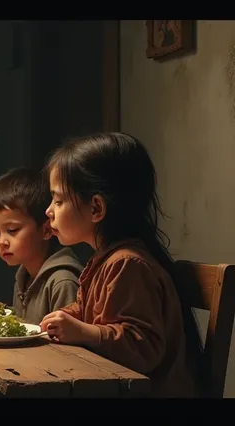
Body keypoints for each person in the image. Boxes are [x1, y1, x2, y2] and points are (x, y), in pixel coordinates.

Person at [40, 132, 200, 398]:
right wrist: (66, 318)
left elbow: (143, 347)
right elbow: (90, 308)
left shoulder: (128, 264)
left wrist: (83, 332)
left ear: (96, 209)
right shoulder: (107, 260)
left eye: (58, 200)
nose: (49, 210)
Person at [0, 167, 82, 324]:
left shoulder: (63, 281)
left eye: (12, 230)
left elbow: (68, 346)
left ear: (47, 229)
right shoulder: (24, 277)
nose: (2, 241)